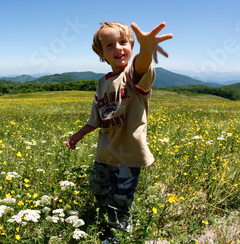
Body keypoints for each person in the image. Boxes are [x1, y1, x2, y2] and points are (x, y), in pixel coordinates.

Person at [66, 21, 173, 242]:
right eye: (110, 45)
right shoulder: (102, 83)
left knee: (120, 200)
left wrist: (146, 50)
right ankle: (100, 219)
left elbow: (142, 65)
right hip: (104, 154)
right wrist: (79, 134)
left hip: (128, 156)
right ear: (101, 53)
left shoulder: (133, 76)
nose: (118, 48)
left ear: (132, 46)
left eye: (123, 42)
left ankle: (118, 236)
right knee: (98, 189)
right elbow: (97, 117)